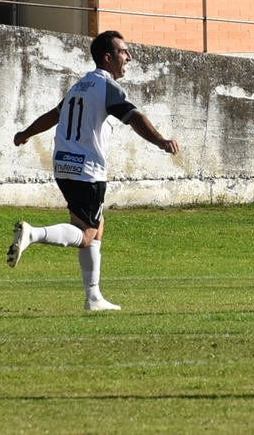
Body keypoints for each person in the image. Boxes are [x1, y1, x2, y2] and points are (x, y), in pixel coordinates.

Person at [9, 30, 181, 311]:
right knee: (86, 233)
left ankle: (94, 297)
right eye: (124, 51)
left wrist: (25, 133)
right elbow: (134, 117)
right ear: (108, 57)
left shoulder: (81, 85)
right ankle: (33, 234)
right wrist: (161, 140)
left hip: (64, 164)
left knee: (97, 228)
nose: (129, 56)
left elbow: (55, 115)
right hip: (87, 169)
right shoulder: (107, 87)